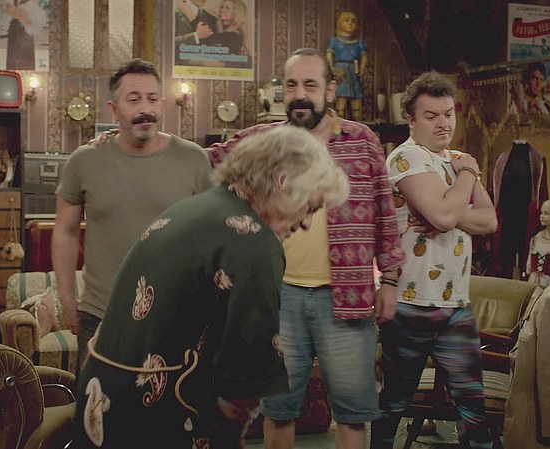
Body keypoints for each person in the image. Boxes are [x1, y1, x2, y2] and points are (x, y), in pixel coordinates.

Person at [74, 126, 351, 449]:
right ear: (283, 181)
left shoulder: (200, 207)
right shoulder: (254, 241)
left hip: (101, 405)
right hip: (155, 421)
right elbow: (243, 378)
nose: (306, 223)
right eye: (311, 207)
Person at [208, 48, 406, 449]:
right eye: (291, 84)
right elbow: (205, 160)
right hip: (276, 296)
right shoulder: (265, 142)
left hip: (347, 296)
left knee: (353, 414)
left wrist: (390, 280)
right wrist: (147, 142)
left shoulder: (362, 141)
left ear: (330, 90)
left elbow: (385, 213)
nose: (299, 94)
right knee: (278, 408)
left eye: (310, 85)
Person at [52, 58, 212, 374]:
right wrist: (67, 298)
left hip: (176, 313)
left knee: (173, 402)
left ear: (163, 104)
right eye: (134, 99)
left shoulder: (193, 159)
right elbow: (65, 232)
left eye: (152, 99)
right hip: (101, 313)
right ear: (114, 110)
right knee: (95, 402)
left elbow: (209, 235)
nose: (145, 109)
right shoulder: (85, 161)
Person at [370, 71, 498, 449]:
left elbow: (489, 221)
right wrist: (468, 175)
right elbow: (444, 217)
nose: (443, 123)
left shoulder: (455, 160)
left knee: (473, 406)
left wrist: (447, 209)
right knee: (395, 401)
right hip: (411, 301)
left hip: (455, 302)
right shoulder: (407, 157)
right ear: (410, 119)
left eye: (448, 114)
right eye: (431, 116)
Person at [326, 10, 367, 121]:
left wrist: (362, 68)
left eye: (353, 21)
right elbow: (329, 55)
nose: (350, 23)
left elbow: (364, 56)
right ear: (339, 24)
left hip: (354, 71)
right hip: (341, 72)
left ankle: (357, 121)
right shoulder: (334, 41)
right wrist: (332, 69)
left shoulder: (359, 43)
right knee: (341, 99)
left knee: (356, 99)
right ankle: (340, 122)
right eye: (346, 21)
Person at [3, 0, 46, 70]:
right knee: (12, 60)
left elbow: (30, 20)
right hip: (14, 29)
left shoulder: (31, 4)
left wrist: (16, 12)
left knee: (26, 60)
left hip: (25, 32)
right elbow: (9, 10)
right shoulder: (13, 3)